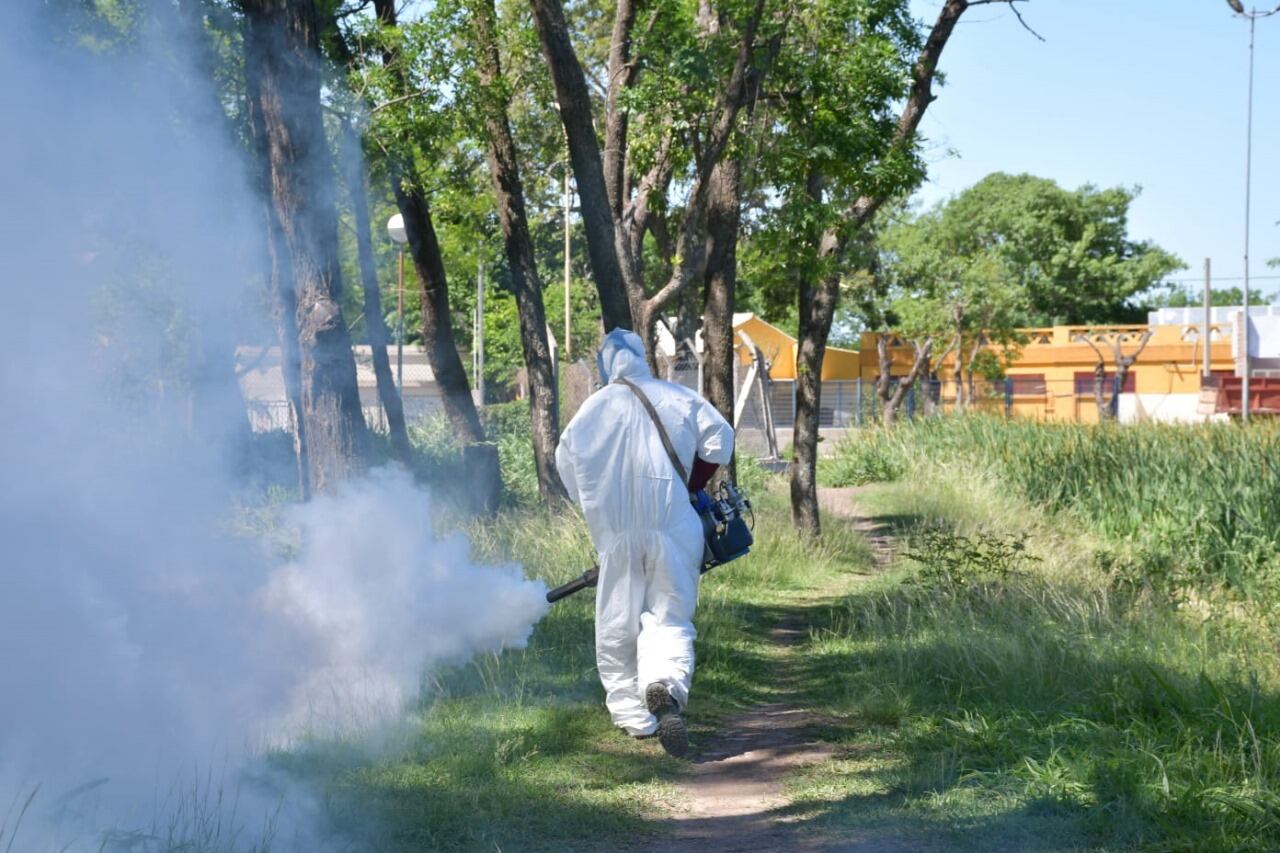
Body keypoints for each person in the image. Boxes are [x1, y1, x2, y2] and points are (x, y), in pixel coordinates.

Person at [555, 329, 734, 757]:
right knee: (669, 618)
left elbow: (567, 470)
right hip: (674, 525)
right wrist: (690, 485)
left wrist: (600, 504)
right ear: (642, 359)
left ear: (605, 366)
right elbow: (720, 441)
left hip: (616, 535)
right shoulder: (676, 396)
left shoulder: (589, 412)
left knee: (617, 624)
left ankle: (635, 720)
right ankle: (663, 687)